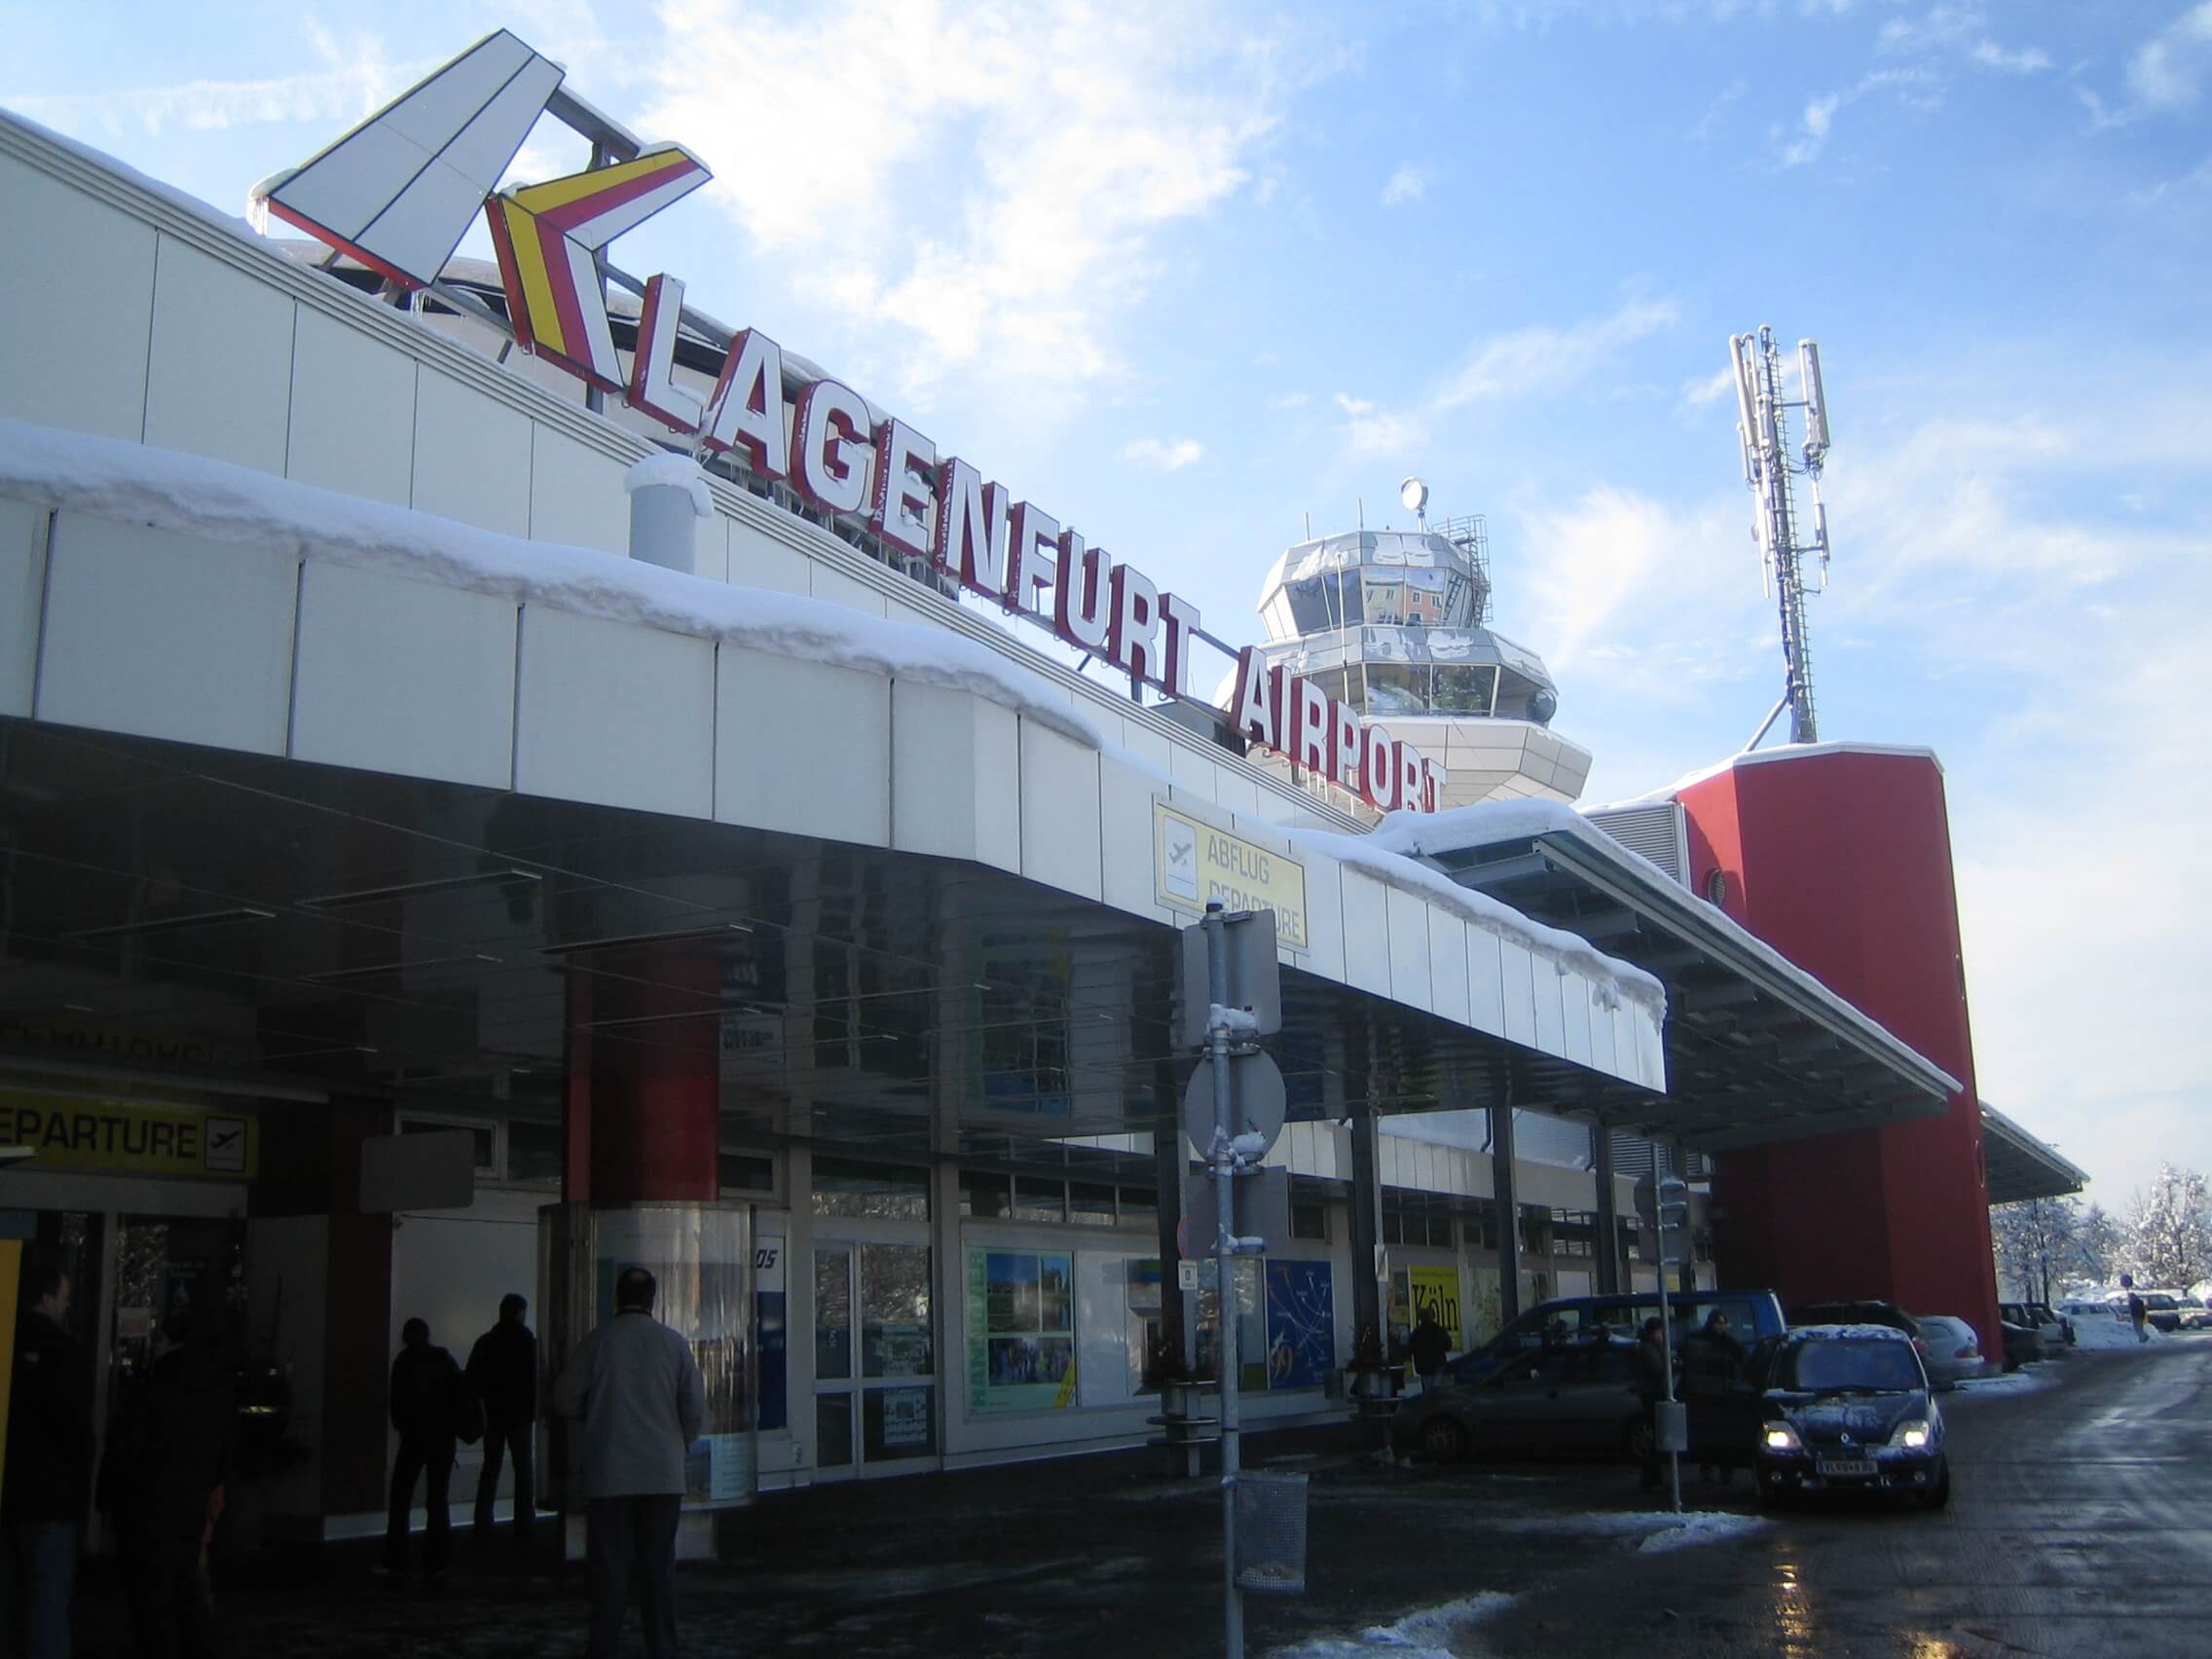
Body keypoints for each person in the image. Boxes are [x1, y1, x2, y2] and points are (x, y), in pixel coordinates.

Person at [553, 1267, 706, 1659]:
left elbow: (565, 1400)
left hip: (610, 1473)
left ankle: (604, 1647)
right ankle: (662, 1646)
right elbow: (694, 1410)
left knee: (610, 1567)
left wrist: (599, 1414)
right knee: (658, 1566)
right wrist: (677, 1442)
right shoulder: (673, 1344)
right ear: (653, 1299)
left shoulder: (597, 1342)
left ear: (616, 1298)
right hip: (662, 1473)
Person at [97, 1312, 235, 1659]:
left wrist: (108, 1497)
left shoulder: (151, 1393)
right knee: (186, 1594)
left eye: (158, 1340)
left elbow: (125, 1451)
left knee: (152, 1603)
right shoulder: (211, 1390)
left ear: (170, 1344)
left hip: (146, 1509)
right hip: (189, 1506)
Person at [1, 1257, 92, 1659]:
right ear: (48, 1297)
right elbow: (74, 1430)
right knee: (48, 1604)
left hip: (12, 1491)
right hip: (52, 1497)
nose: (67, 1305)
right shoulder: (64, 1351)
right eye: (65, 1297)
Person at [383, 1317, 463, 1584]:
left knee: (401, 1496)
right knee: (438, 1498)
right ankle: (437, 1561)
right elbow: (459, 1393)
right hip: (442, 1437)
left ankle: (397, 1558)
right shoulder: (443, 1359)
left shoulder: (403, 1363)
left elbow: (397, 1405)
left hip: (415, 1437)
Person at [466, 1293, 538, 1553]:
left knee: (490, 1468)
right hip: (520, 1415)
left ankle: (483, 1522)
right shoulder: (528, 1342)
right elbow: (535, 1380)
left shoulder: (486, 1342)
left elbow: (472, 1380)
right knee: (523, 1470)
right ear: (520, 1312)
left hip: (493, 1415)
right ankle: (524, 1524)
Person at [1680, 1309, 1746, 1485]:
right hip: (1704, 1395)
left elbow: (1742, 1360)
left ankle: (1723, 1471)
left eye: (1724, 1324)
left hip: (1721, 1396)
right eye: (1718, 1323)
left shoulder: (1729, 1342)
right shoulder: (1699, 1341)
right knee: (1708, 1436)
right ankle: (1709, 1469)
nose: (1721, 1327)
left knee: (1723, 1437)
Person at [1631, 1316, 1671, 1493]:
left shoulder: (1650, 1347)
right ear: (1655, 1332)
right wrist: (1671, 1364)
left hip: (1653, 1394)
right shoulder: (1648, 1348)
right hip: (1652, 1395)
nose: (1663, 1335)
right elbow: (1658, 1369)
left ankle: (1654, 1476)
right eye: (1661, 1332)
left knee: (1657, 1438)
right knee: (1657, 1438)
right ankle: (1650, 1477)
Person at [1407, 1311, 1450, 1394]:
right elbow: (1448, 1346)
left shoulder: (1417, 1332)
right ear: (1433, 1317)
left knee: (1427, 1390)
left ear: (1421, 1319)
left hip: (1423, 1366)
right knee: (1438, 1390)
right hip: (1438, 1364)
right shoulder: (1440, 1330)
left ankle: (1429, 1404)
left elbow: (1410, 1349)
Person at [2121, 1273, 2149, 1344]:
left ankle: (2143, 1338)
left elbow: (2134, 1310)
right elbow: (2142, 1310)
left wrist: (2132, 1314)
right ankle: (2142, 1338)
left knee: (2137, 1328)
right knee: (2139, 1328)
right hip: (2139, 1316)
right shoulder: (2139, 1302)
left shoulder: (2134, 1303)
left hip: (2136, 1317)